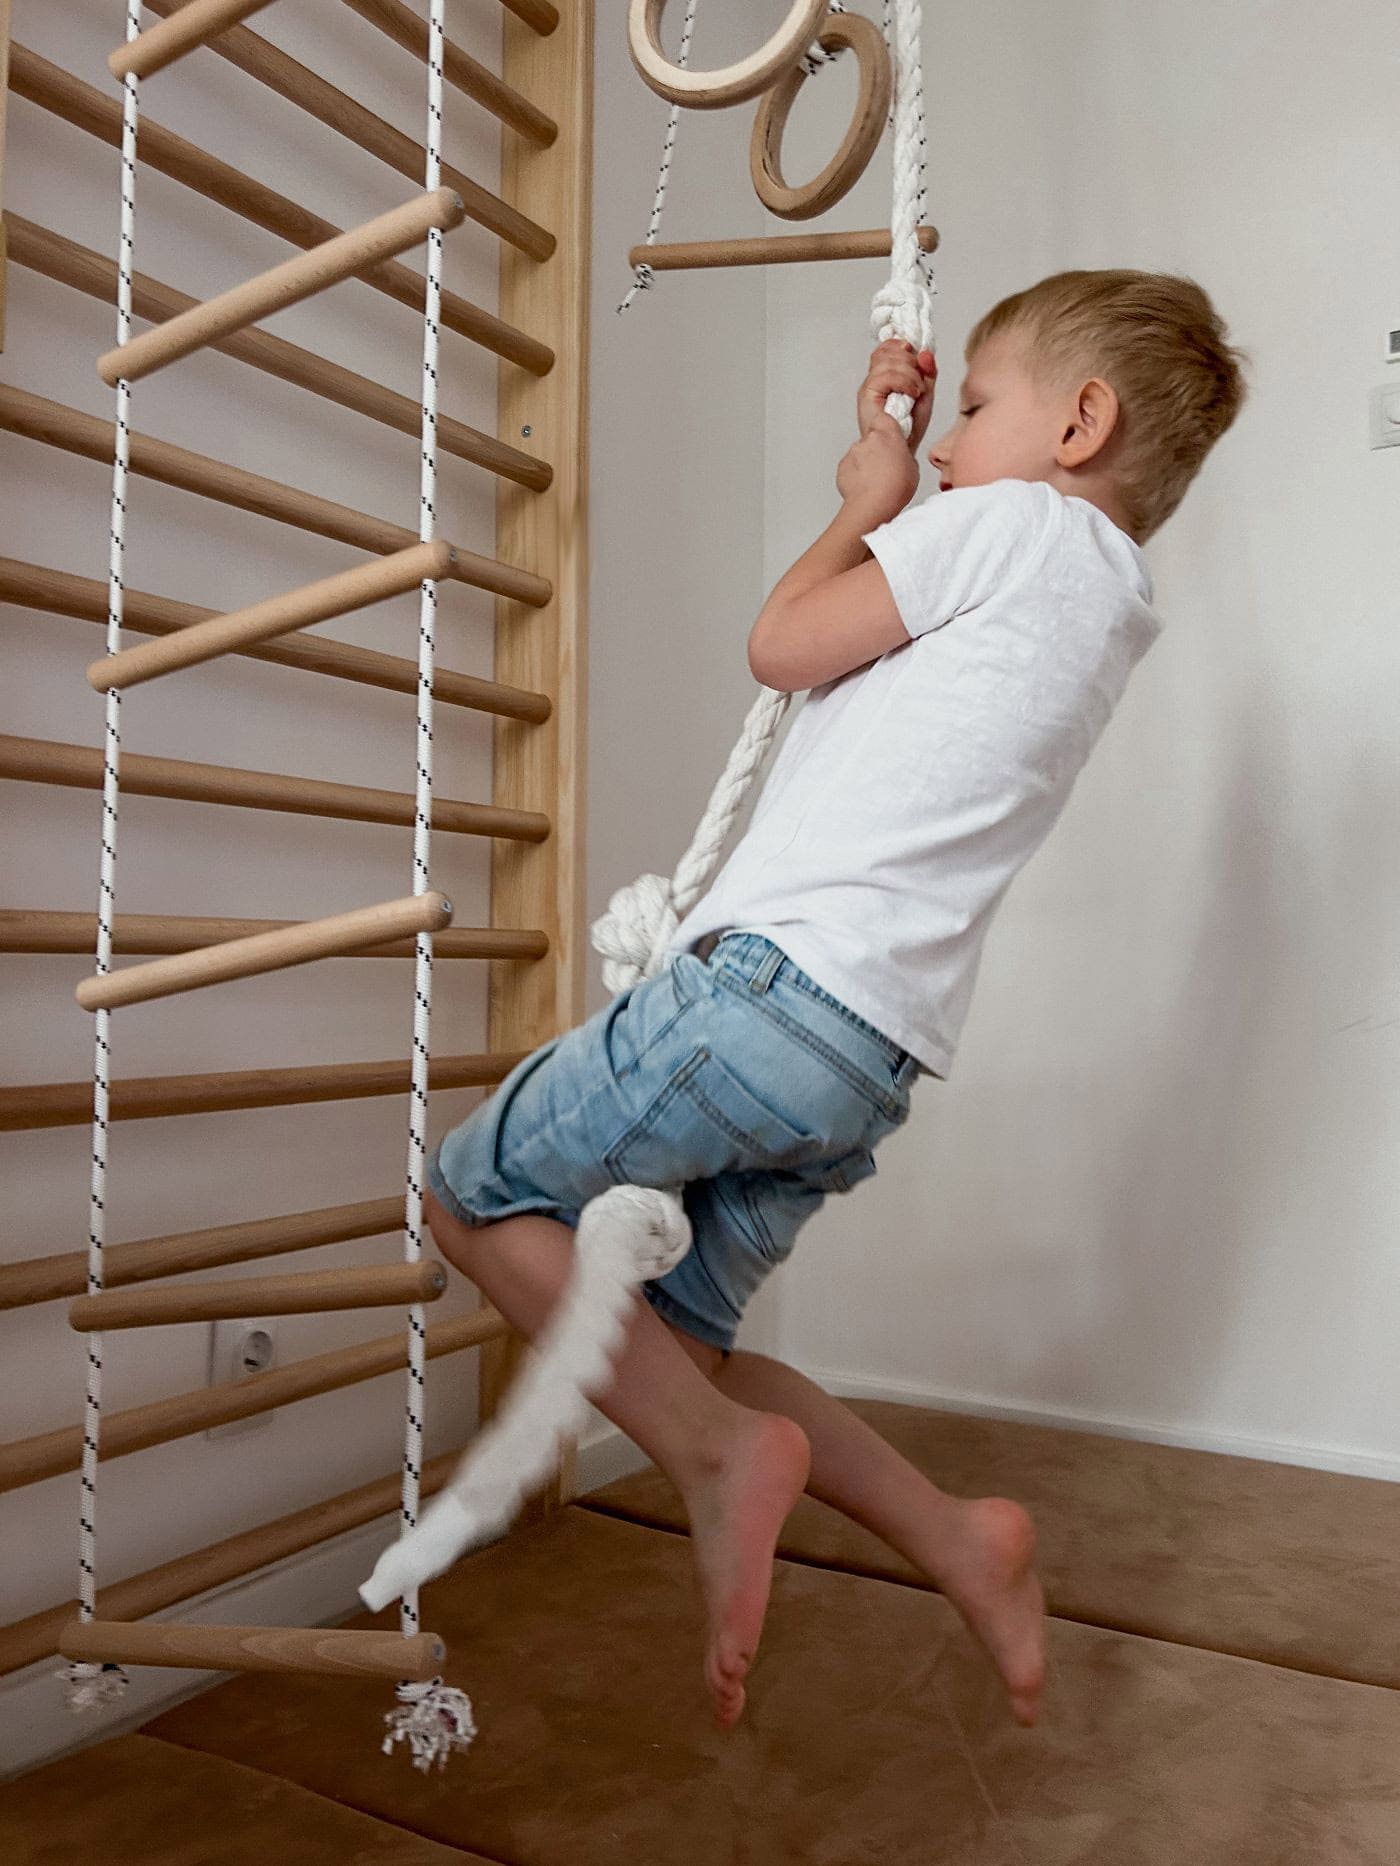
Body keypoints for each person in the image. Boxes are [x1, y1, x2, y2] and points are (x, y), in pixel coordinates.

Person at [426, 269, 1248, 1735]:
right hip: (868, 1054)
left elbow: (783, 644)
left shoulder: (1003, 523)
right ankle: (954, 1533)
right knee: (689, 1343)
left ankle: (713, 1460)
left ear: (1081, 422)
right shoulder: (1105, 605)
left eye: (975, 406)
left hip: (769, 989)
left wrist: (863, 492)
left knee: (473, 1192)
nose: (945, 442)